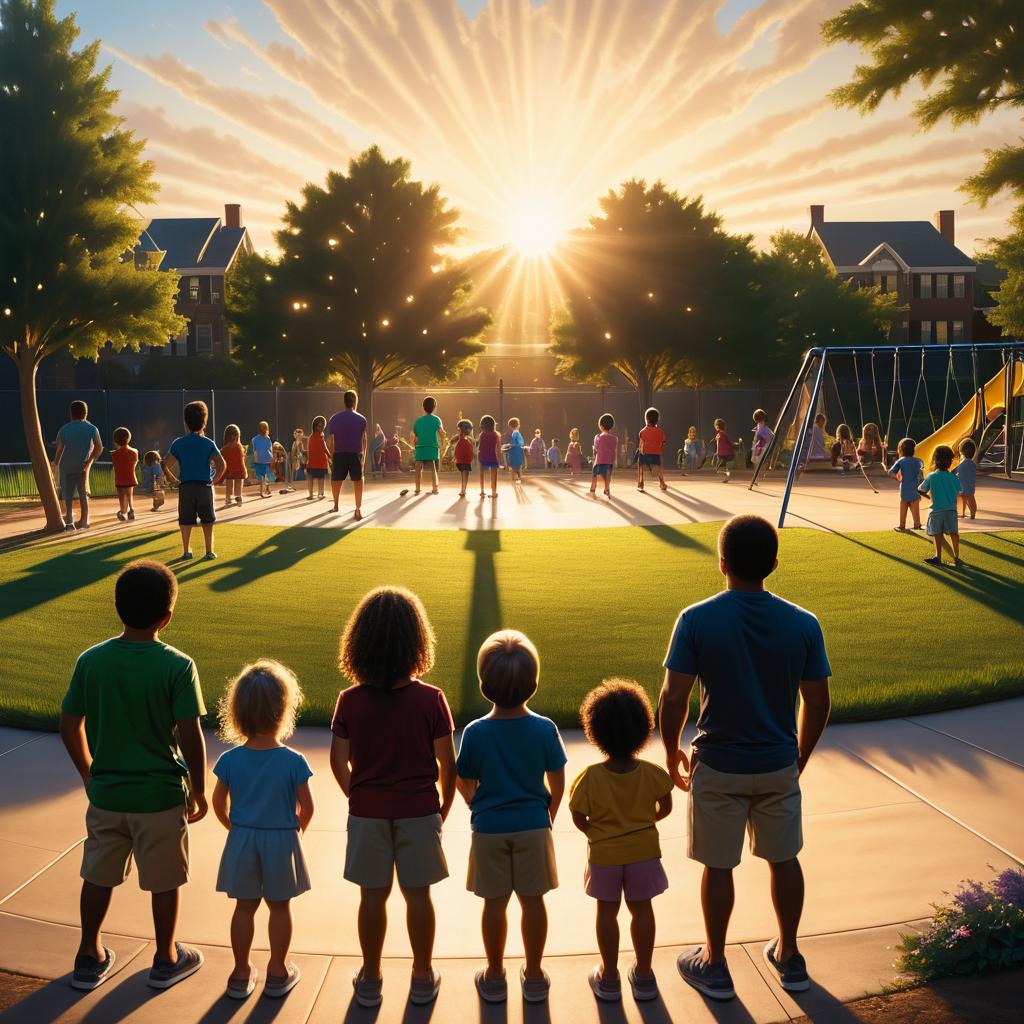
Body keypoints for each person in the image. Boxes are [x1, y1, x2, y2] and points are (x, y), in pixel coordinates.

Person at [659, 514, 832, 1001]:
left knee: (718, 867)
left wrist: (671, 749)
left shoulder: (696, 619)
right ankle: (790, 955)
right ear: (773, 564)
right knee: (785, 858)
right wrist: (797, 757)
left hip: (717, 763)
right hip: (777, 762)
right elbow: (817, 702)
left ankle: (714, 963)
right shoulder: (803, 623)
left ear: (722, 563)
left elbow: (674, 697)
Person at [58, 561, 208, 992]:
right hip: (159, 797)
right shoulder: (177, 666)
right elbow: (190, 734)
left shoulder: (92, 661)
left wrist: (89, 775)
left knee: (98, 874)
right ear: (167, 616)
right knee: (164, 880)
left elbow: (69, 724)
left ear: (118, 608)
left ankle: (89, 953)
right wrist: (198, 789)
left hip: (106, 796)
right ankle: (166, 957)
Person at [329, 587, 456, 1009]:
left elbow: (338, 760)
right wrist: (443, 807)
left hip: (368, 811)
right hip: (420, 809)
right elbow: (447, 764)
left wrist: (357, 795)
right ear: (416, 641)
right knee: (418, 895)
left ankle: (370, 976)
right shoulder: (431, 699)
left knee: (372, 895)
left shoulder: (349, 701)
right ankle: (422, 975)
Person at [456, 631, 567, 1005]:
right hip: (534, 825)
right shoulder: (545, 728)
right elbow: (557, 779)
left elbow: (463, 779)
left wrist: (478, 806)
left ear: (483, 684)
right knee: (533, 902)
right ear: (533, 683)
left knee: (494, 904)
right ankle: (534, 975)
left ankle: (494, 973)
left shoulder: (475, 732)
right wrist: (547, 813)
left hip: (489, 828)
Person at [213, 660, 314, 1000]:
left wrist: (235, 827)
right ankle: (277, 969)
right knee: (280, 907)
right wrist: (294, 832)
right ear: (284, 709)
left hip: (243, 836)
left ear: (237, 712)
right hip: (281, 839)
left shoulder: (229, 760)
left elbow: (218, 802)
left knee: (244, 907)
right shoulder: (294, 762)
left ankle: (241, 972)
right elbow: (307, 807)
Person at [570, 680, 673, 1004]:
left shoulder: (589, 778)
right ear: (643, 729)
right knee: (642, 911)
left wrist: (596, 832)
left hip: (604, 855)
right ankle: (643, 974)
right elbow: (665, 806)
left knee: (607, 912)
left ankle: (610, 975)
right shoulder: (652, 774)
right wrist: (644, 823)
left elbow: (578, 816)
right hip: (644, 851)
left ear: (595, 731)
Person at [164, 401, 225, 561]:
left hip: (186, 487)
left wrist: (171, 478)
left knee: (185, 520)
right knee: (208, 520)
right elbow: (222, 464)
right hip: (204, 486)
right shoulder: (208, 443)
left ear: (185, 422)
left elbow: (166, 464)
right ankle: (209, 551)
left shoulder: (178, 443)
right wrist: (215, 479)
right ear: (204, 422)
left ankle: (187, 551)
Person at [53, 400, 103, 531]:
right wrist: (89, 460)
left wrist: (55, 464)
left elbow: (60, 449)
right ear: (86, 413)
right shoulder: (92, 428)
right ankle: (84, 521)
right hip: (82, 466)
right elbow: (99, 447)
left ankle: (69, 522)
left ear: (70, 413)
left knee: (67, 494)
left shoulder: (63, 429)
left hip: (66, 466)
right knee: (83, 494)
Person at [919, 444, 962, 567]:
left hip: (936, 510)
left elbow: (921, 490)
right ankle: (956, 557)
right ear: (950, 462)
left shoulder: (931, 476)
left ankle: (938, 557)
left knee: (937, 534)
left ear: (935, 460)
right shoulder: (954, 478)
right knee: (954, 533)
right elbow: (959, 493)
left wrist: (930, 497)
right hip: (951, 510)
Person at [327, 390, 368, 520]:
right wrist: (364, 458)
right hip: (356, 453)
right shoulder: (362, 419)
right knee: (358, 481)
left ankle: (335, 505)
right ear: (355, 402)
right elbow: (364, 439)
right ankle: (358, 509)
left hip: (339, 453)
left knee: (335, 480)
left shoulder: (334, 418)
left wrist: (331, 455)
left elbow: (331, 440)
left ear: (344, 401)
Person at [888, 439, 924, 532]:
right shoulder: (919, 461)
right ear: (913, 450)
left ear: (901, 450)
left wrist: (898, 479)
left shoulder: (901, 461)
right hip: (915, 488)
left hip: (904, 488)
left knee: (903, 506)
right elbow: (921, 473)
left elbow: (891, 472)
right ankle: (917, 524)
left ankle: (901, 525)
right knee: (915, 506)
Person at [413, 396, 444, 495]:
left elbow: (415, 438)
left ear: (423, 407)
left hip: (421, 447)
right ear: (434, 407)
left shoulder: (418, 421)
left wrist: (415, 445)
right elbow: (441, 433)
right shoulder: (437, 419)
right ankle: (435, 488)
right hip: (432, 447)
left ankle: (417, 488)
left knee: (418, 468)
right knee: (433, 467)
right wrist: (443, 444)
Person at [111, 427, 139, 522]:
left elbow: (116, 466)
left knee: (122, 496)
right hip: (131, 478)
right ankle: (131, 509)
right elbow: (134, 464)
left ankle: (123, 512)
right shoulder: (134, 452)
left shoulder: (114, 454)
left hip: (119, 479)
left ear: (116, 440)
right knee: (129, 494)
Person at [637, 407, 668, 492]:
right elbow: (662, 445)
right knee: (661, 455)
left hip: (645, 457)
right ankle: (661, 481)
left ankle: (640, 482)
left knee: (639, 457)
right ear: (657, 420)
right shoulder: (661, 432)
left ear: (646, 419)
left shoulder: (642, 432)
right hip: (656, 457)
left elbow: (641, 446)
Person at [590, 413, 617, 497]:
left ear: (601, 426)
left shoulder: (598, 437)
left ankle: (592, 489)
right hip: (609, 461)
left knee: (595, 475)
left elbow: (596, 448)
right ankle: (607, 489)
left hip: (599, 461)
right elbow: (613, 447)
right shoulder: (615, 438)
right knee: (607, 475)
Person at [219, 425, 246, 507]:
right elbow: (242, 461)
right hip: (239, 470)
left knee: (229, 484)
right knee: (239, 482)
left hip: (229, 471)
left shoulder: (224, 449)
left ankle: (228, 498)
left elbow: (222, 460)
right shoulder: (239, 447)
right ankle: (238, 496)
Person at [305, 416, 329, 501]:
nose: (321, 428)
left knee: (320, 478)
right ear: (314, 426)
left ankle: (320, 493)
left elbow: (324, 448)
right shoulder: (312, 437)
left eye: (322, 426)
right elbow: (309, 450)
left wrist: (329, 456)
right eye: (319, 426)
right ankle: (311, 494)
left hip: (320, 461)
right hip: (313, 461)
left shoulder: (320, 437)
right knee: (311, 478)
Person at [478, 415, 501, 499]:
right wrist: (499, 457)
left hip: (483, 456)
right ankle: (494, 492)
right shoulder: (496, 435)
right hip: (493, 456)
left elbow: (480, 446)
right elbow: (498, 448)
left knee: (481, 473)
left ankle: (482, 490)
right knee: (494, 474)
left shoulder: (482, 435)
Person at [956, 438, 978, 519]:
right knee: (971, 499)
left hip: (961, 486)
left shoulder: (962, 464)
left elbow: (958, 473)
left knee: (962, 500)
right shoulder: (972, 464)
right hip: (970, 485)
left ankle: (961, 513)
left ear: (962, 452)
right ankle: (973, 513)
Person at [251, 422, 274, 498]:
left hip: (259, 460)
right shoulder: (268, 439)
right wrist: (272, 459)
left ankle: (262, 491)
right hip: (267, 459)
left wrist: (254, 460)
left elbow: (254, 450)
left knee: (261, 476)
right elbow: (270, 449)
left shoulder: (254, 439)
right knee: (266, 475)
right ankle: (267, 489)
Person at [453, 419, 474, 499]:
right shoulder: (460, 436)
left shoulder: (467, 437)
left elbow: (472, 446)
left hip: (465, 458)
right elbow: (453, 443)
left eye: (460, 429)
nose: (459, 431)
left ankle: (463, 488)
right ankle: (463, 488)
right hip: (461, 458)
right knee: (464, 473)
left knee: (464, 473)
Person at [506, 417, 526, 483]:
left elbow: (514, 443)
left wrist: (509, 445)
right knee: (518, 467)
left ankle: (514, 481)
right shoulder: (517, 433)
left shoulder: (515, 433)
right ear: (517, 425)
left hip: (515, 452)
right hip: (518, 452)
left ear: (511, 426)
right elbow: (520, 443)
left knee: (514, 468)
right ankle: (519, 480)